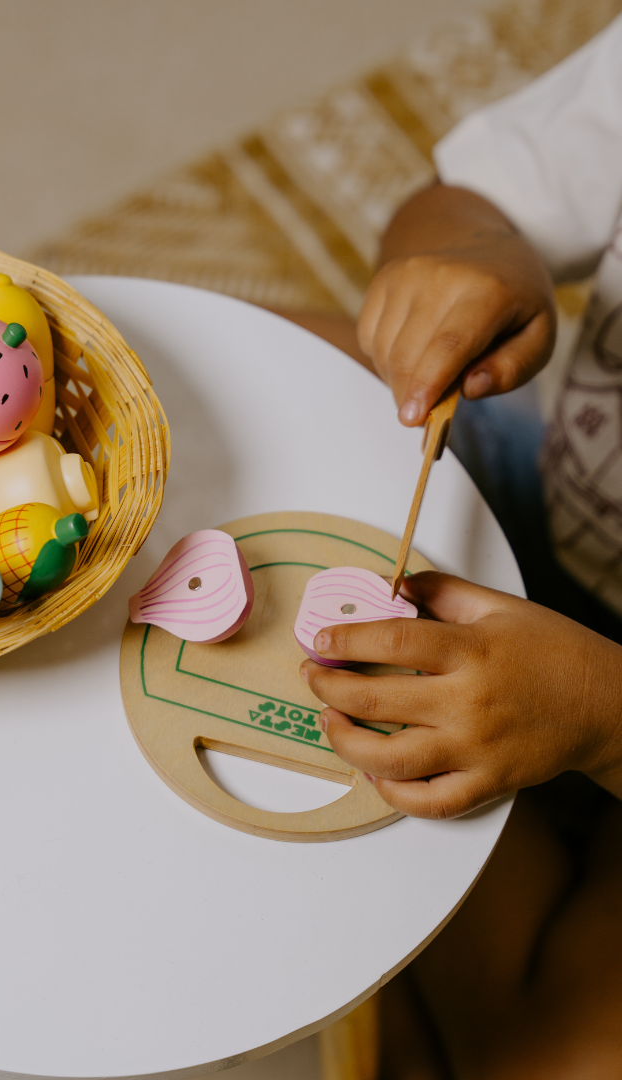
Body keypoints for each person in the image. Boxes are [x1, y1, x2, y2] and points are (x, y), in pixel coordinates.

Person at [289, 16, 622, 1079]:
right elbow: (470, 199)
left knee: (547, 1051)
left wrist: (600, 723)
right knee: (275, 378)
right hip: (558, 489)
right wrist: (468, 255)